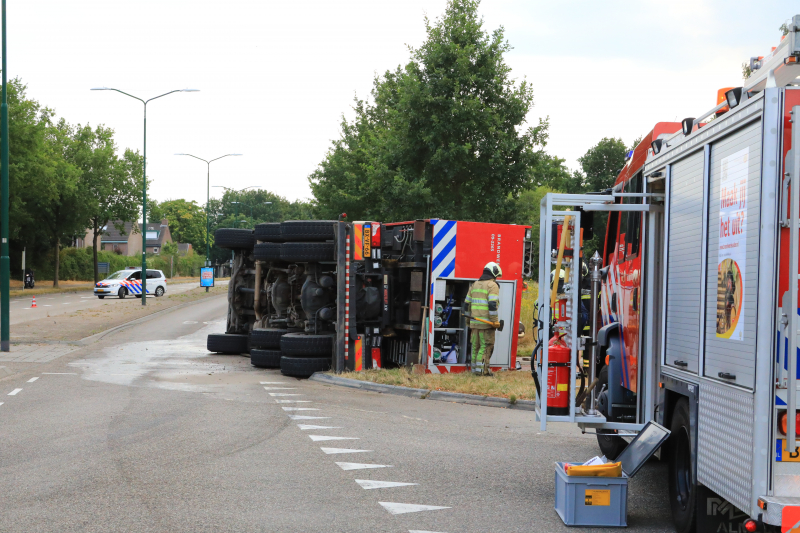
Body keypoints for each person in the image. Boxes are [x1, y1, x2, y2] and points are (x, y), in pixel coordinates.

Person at [464, 262, 502, 376]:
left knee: (475, 347)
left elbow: (467, 304)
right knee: (485, 347)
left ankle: (475, 371)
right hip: (486, 323)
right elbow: (492, 305)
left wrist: (468, 322)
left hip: (474, 322)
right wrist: (494, 321)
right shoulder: (492, 285)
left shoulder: (474, 284)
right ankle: (482, 372)